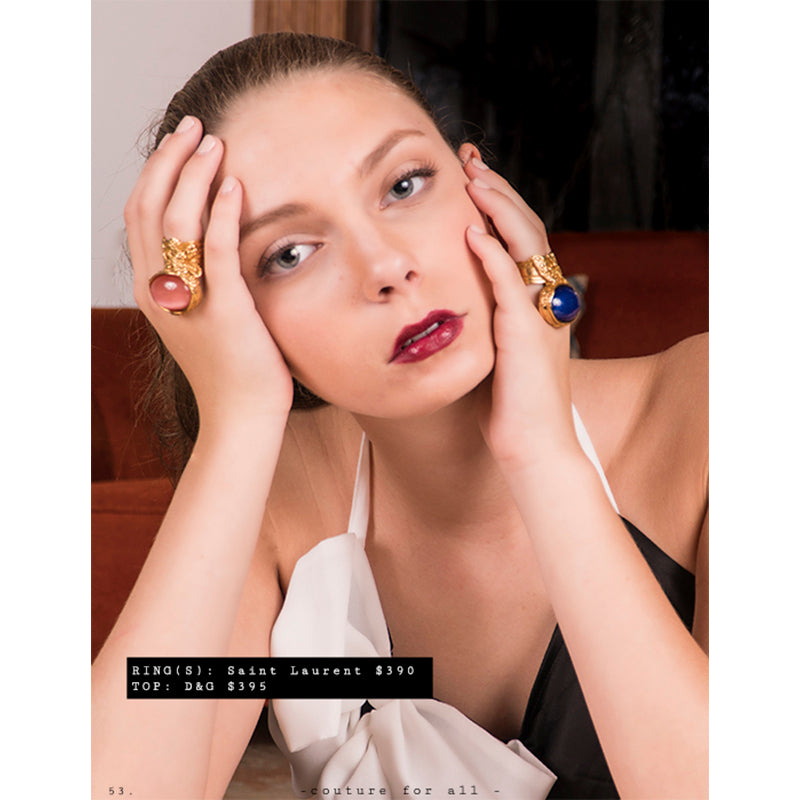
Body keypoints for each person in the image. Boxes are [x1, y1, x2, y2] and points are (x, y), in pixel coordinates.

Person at [91, 32, 708, 800]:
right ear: (240, 315)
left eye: (405, 184)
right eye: (290, 254)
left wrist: (544, 455)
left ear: (478, 182)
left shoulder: (707, 411)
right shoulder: (281, 497)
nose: (385, 266)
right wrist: (238, 424)